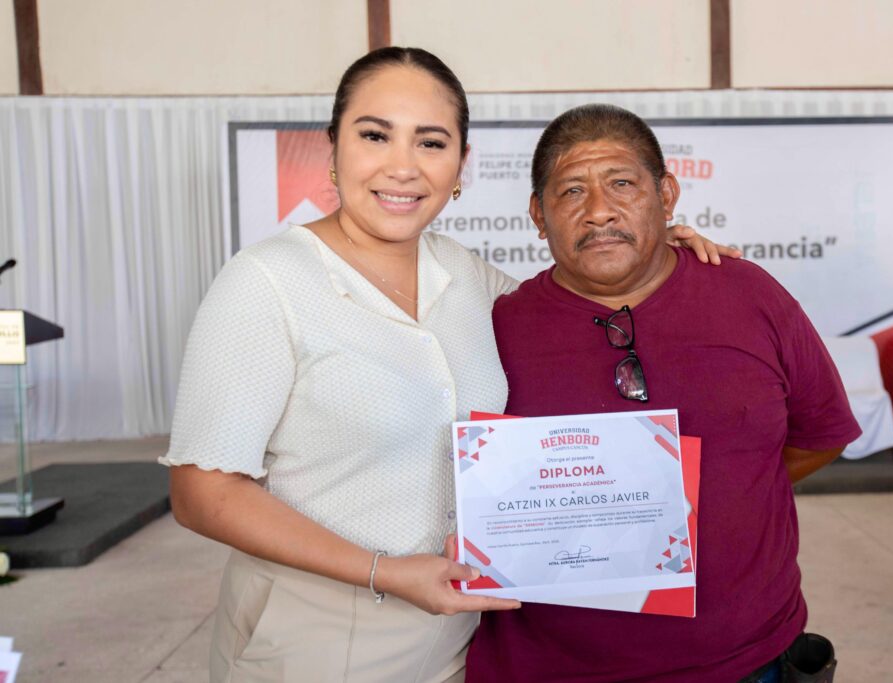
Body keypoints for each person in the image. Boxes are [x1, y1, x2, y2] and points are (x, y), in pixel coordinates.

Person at [160, 49, 736, 682]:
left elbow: (578, 313)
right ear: (333, 148)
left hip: (456, 645)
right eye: (375, 135)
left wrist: (651, 251)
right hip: (309, 641)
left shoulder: (464, 274)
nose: (402, 166)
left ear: (461, 164)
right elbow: (202, 493)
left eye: (431, 143)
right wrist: (383, 571)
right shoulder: (267, 282)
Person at [465, 104, 862, 683]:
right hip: (549, 669)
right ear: (538, 215)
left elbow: (821, 434)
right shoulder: (495, 325)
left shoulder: (750, 295)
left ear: (667, 195)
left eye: (622, 184)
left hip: (746, 662)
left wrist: (718, 493)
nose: (599, 210)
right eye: (571, 191)